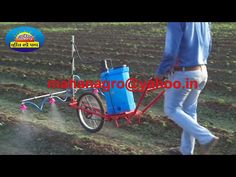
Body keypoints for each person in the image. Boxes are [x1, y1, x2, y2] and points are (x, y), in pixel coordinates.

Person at [156, 22, 219, 155]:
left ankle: (206, 137)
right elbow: (209, 44)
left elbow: (171, 50)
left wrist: (161, 71)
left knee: (171, 109)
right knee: (189, 110)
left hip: (184, 73)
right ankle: (186, 151)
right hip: (201, 71)